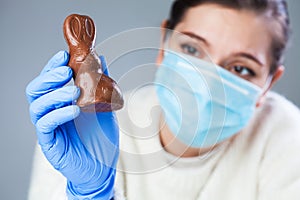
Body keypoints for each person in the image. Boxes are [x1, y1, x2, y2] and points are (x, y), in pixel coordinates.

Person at [26, 0, 300, 199]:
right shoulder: (83, 127)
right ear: (163, 43)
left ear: (269, 83)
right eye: (192, 48)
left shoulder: (287, 138)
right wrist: (93, 194)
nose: (207, 84)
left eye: (240, 68)